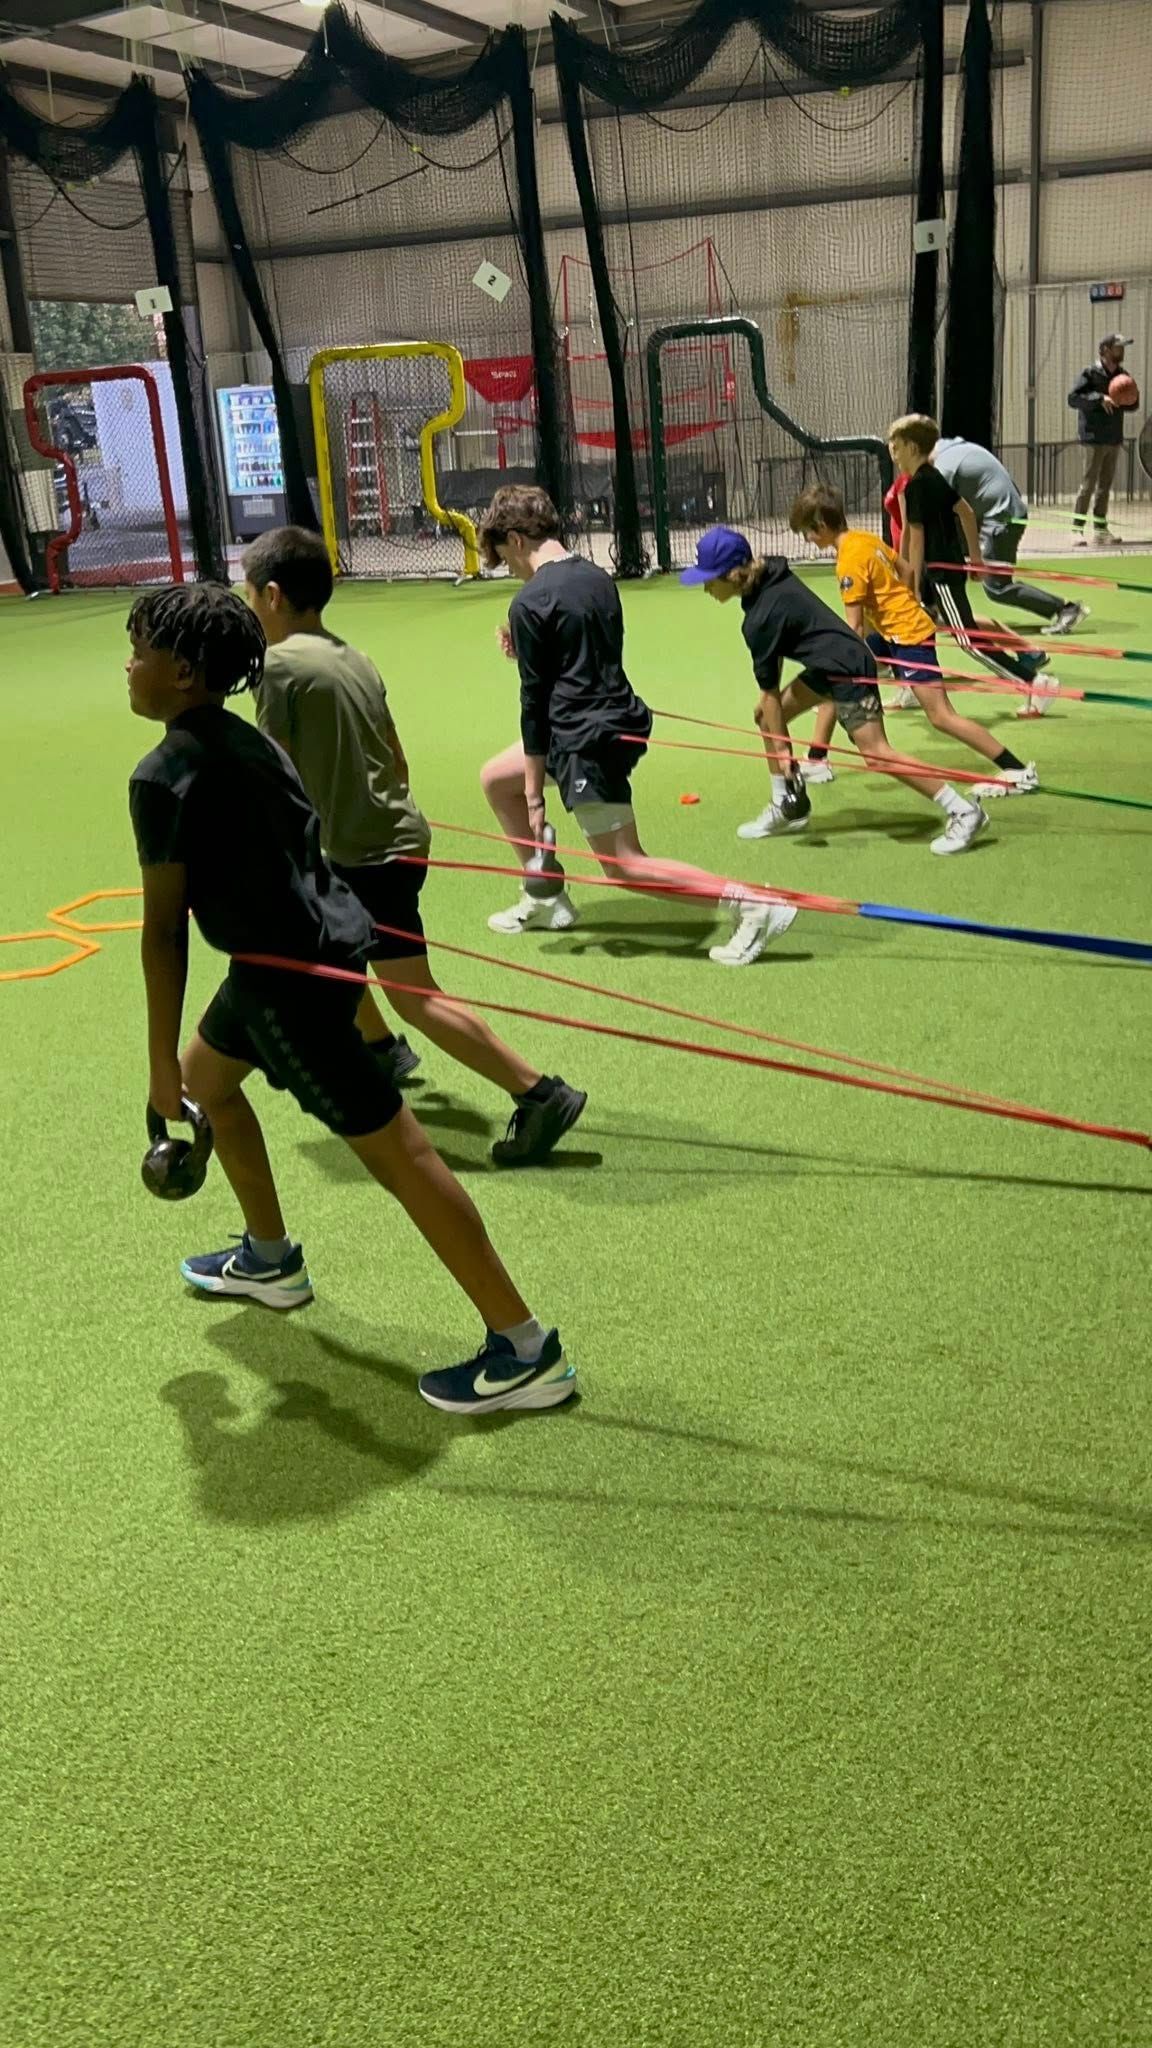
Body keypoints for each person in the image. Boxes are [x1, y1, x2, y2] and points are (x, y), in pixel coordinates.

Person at [126, 581, 574, 1417]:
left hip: (285, 982)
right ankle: (269, 1258)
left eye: (140, 650)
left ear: (184, 672)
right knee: (208, 1086)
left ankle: (524, 1346)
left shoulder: (165, 777)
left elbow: (164, 933)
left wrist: (154, 1065)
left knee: (402, 1154)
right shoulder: (254, 743)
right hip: (304, 954)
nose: (130, 665)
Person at [241, 525, 586, 1170]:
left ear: (274, 596)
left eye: (249, 595)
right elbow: (395, 754)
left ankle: (539, 1093)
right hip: (389, 837)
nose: (247, 606)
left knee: (415, 993)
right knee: (327, 945)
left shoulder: (280, 668)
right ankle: (378, 1049)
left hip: (365, 852)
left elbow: (277, 774)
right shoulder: (352, 656)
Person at [477, 484, 798, 968]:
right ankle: (547, 898)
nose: (511, 569)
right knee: (493, 779)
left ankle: (752, 905)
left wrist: (536, 794)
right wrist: (527, 647)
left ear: (517, 540)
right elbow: (581, 651)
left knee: (625, 865)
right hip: (617, 718)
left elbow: (534, 702)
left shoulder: (529, 602)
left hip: (583, 738)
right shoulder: (595, 576)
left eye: (506, 557)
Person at [681, 526, 989, 856]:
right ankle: (787, 803)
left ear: (734, 573)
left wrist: (783, 751)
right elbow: (769, 707)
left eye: (709, 578)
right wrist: (780, 741)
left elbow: (770, 693)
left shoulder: (760, 619)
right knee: (765, 718)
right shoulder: (770, 572)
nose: (705, 587)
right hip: (830, 664)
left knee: (876, 754)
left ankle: (963, 810)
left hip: (849, 668)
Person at [789, 482, 1038, 799]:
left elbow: (854, 628)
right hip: (898, 630)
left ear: (821, 525)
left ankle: (1016, 770)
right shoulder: (865, 539)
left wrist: (841, 648)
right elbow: (906, 570)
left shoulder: (847, 561)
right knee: (833, 679)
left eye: (807, 532)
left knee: (941, 716)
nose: (808, 540)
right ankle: (817, 758)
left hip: (908, 637)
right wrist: (902, 606)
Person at [887, 414, 1058, 716]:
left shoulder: (919, 486)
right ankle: (913, 687)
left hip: (939, 575)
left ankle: (1034, 682)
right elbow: (965, 513)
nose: (892, 450)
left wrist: (910, 584)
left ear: (912, 447)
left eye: (896, 445)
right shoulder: (933, 477)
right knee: (914, 630)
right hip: (937, 573)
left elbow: (916, 540)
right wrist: (975, 559)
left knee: (968, 640)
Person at [930, 433, 1085, 635]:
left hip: (1001, 520)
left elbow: (936, 512)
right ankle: (934, 611)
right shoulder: (949, 447)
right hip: (996, 513)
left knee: (997, 587)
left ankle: (1066, 609)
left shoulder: (944, 467)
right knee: (944, 555)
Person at [1068, 333, 1140, 546]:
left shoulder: (1123, 376)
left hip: (1113, 437)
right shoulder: (1090, 373)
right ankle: (1076, 529)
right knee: (1088, 485)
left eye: (1123, 347)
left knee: (1105, 486)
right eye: (1118, 347)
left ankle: (1100, 529)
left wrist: (1128, 397)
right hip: (1092, 437)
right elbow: (1073, 398)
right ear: (1105, 350)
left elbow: (1133, 405)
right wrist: (1100, 398)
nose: (1122, 351)